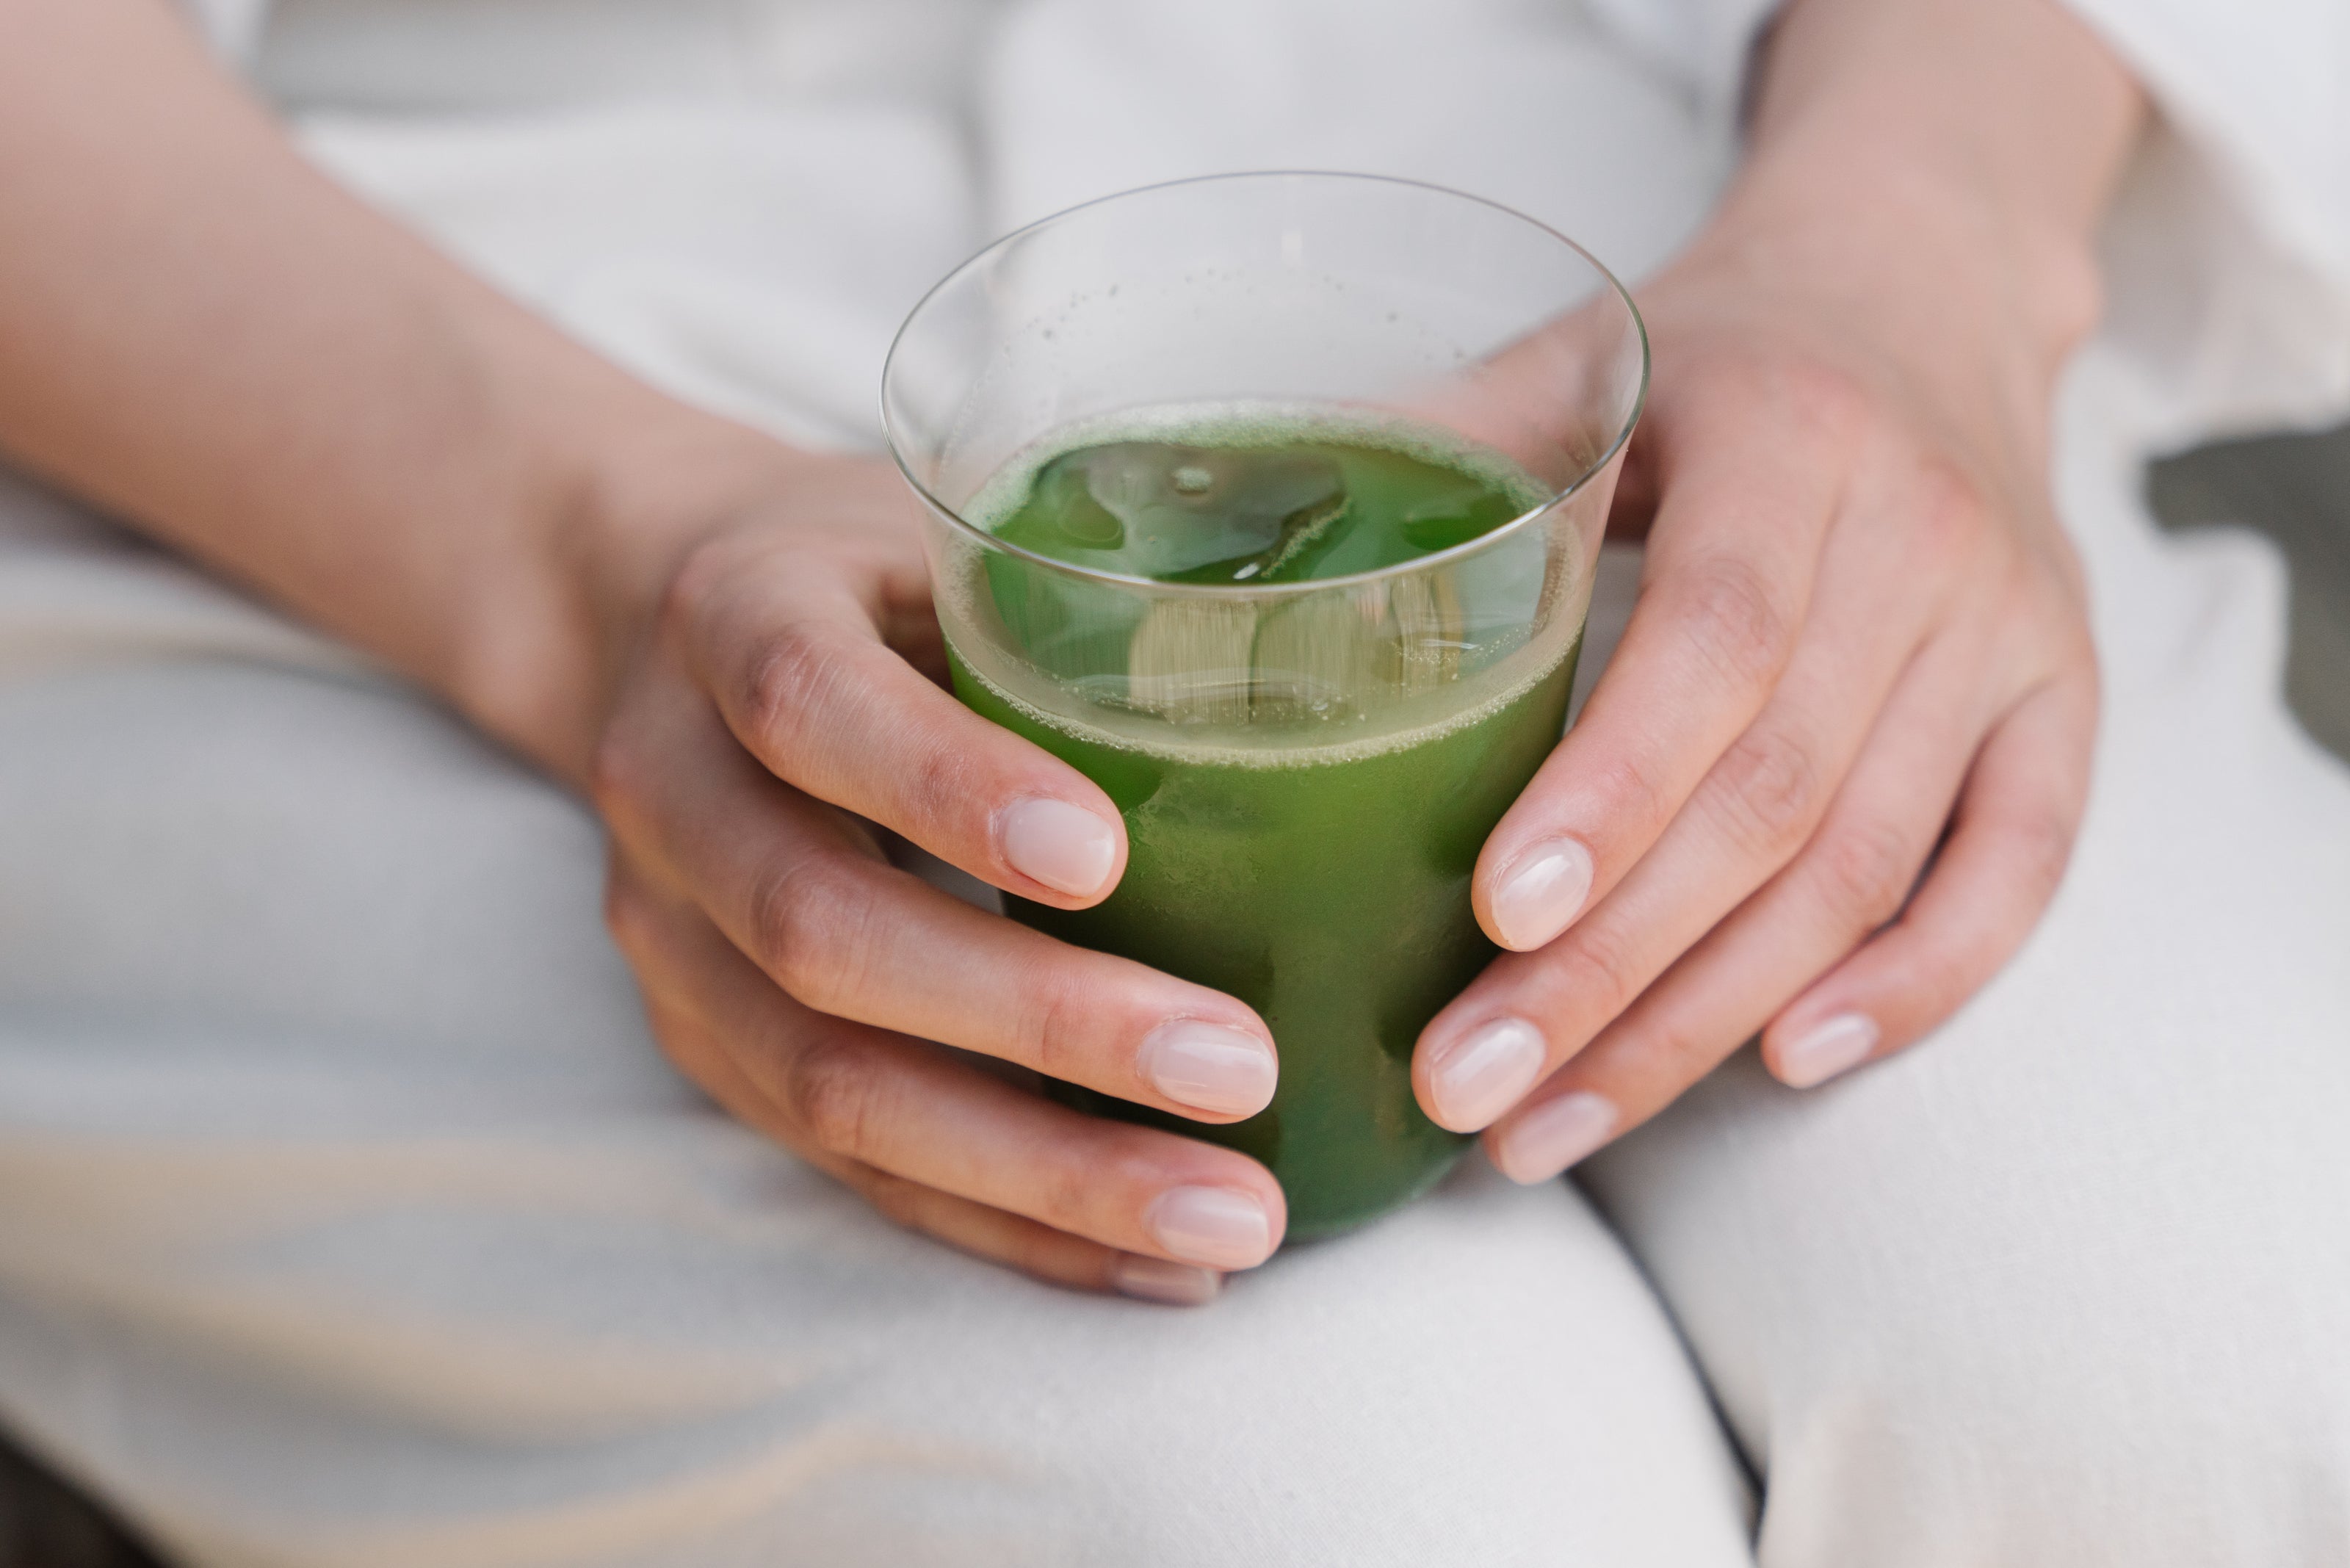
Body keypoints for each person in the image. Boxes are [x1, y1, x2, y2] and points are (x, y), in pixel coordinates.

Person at [0, 0, 2344, 1561]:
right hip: (354, 308)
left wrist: (1926, 234)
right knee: (1369, 1507)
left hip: (1656, 157)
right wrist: (570, 558)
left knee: (2191, 1352)